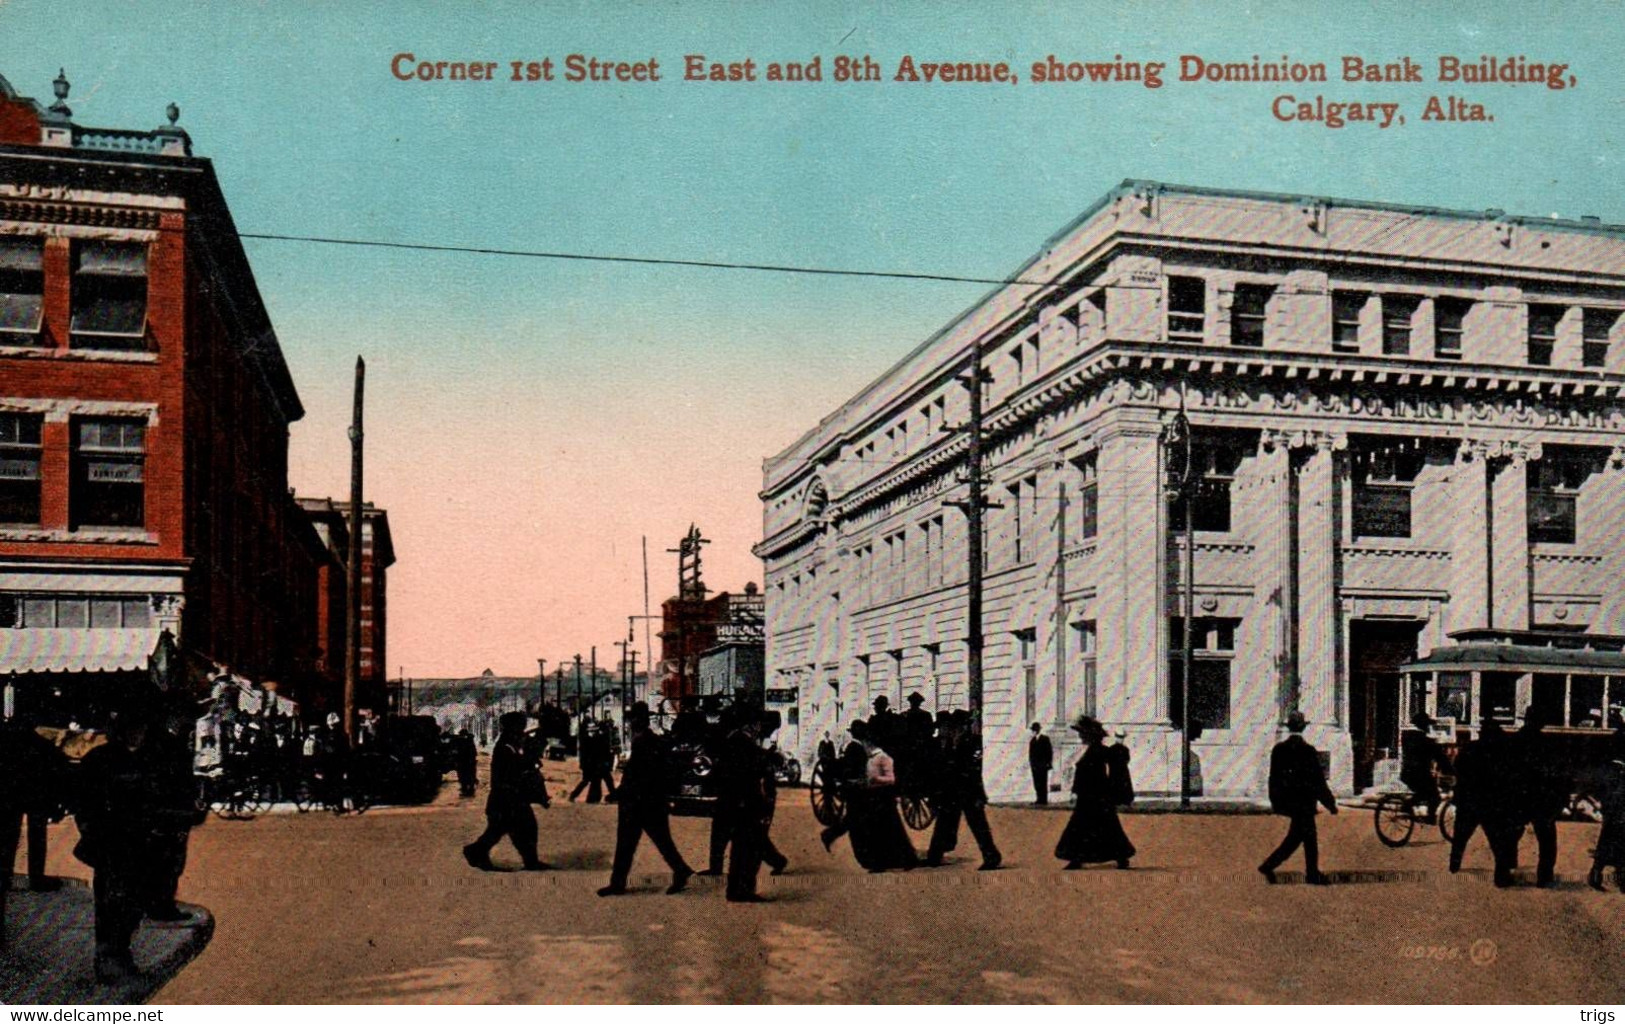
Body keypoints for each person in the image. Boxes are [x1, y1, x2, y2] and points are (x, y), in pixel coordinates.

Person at [74, 701, 201, 983]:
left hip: (145, 846)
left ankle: (119, 954)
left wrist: (180, 819)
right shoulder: (99, 759)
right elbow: (83, 804)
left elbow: (169, 799)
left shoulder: (154, 759)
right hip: (112, 847)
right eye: (132, 728)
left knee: (132, 905)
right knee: (110, 904)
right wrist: (93, 834)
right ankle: (109, 959)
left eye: (141, 728)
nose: (137, 733)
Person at [599, 702, 694, 897]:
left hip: (637, 803)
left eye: (633, 719)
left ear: (637, 720)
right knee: (661, 841)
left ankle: (618, 884)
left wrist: (617, 793)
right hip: (651, 802)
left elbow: (637, 775)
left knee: (626, 844)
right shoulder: (651, 740)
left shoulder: (643, 742)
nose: (631, 722)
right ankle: (681, 869)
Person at [463, 712, 551, 871]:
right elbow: (514, 769)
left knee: (517, 829)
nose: (523, 728)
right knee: (511, 829)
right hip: (506, 798)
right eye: (521, 724)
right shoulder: (506, 746)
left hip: (510, 798)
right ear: (513, 726)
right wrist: (530, 759)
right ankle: (476, 851)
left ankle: (529, 861)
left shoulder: (512, 742)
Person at [1258, 711, 1337, 885]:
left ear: (1288, 728)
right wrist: (1330, 803)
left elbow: (1273, 778)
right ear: (1303, 727)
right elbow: (1318, 781)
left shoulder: (1278, 750)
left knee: (1298, 837)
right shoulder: (1308, 751)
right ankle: (1312, 874)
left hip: (1288, 801)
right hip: (1305, 802)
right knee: (1308, 837)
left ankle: (1270, 865)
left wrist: (1275, 801)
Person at [1055, 716, 1136, 870]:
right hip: (1092, 797)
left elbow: (1091, 774)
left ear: (1088, 736)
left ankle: (1116, 856)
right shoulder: (1093, 750)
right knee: (1097, 827)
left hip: (1095, 797)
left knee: (1091, 827)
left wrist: (1076, 791)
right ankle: (1082, 858)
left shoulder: (1097, 751)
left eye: (1081, 734)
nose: (1079, 737)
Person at [926, 710, 1002, 870]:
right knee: (944, 822)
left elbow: (975, 771)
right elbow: (938, 771)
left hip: (969, 791)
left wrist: (980, 795)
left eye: (954, 726)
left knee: (978, 824)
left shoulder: (971, 742)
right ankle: (934, 856)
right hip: (950, 791)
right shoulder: (945, 744)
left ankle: (991, 856)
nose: (949, 730)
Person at [841, 719, 918, 873]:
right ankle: (892, 860)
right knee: (885, 827)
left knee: (882, 827)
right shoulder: (866, 750)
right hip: (875, 793)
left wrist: (869, 781)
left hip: (877, 794)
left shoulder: (873, 753)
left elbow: (885, 777)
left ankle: (885, 861)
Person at [1513, 703, 1570, 888]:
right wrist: (1561, 798)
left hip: (1518, 797)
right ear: (1541, 723)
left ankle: (1504, 871)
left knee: (1510, 835)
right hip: (1541, 799)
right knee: (1546, 839)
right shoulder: (1549, 744)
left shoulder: (1513, 741)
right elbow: (1558, 773)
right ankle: (1544, 877)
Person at [1448, 719, 1510, 874]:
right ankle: (1501, 875)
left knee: (1460, 836)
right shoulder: (1499, 752)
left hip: (1468, 800)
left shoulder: (1469, 748)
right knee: (1497, 839)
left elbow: (1457, 768)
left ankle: (1454, 864)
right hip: (1489, 801)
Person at [1588, 730, 1625, 892]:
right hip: (1619, 789)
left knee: (1609, 832)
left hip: (1612, 789)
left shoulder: (1615, 735)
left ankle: (1596, 872)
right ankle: (1620, 878)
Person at [1400, 712, 1452, 823]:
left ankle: (1409, 806)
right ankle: (1428, 816)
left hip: (1407, 773)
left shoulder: (1408, 737)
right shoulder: (1426, 741)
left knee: (1424, 793)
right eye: (1427, 725)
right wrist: (1450, 770)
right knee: (1434, 796)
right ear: (1424, 725)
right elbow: (1440, 757)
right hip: (1419, 774)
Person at [1028, 722, 1053, 806]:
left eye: (1034, 730)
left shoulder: (1045, 739)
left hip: (1043, 765)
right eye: (1033, 730)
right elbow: (1031, 754)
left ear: (1038, 730)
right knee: (1037, 782)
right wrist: (1032, 764)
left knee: (1043, 782)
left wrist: (1048, 763)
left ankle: (1043, 799)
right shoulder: (1032, 741)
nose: (1033, 731)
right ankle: (1039, 798)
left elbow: (1049, 752)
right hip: (1035, 766)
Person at [453, 729, 478, 798]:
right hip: (467, 762)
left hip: (465, 762)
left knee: (464, 776)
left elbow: (459, 752)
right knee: (468, 776)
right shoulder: (469, 740)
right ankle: (468, 790)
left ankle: (467, 790)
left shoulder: (465, 741)